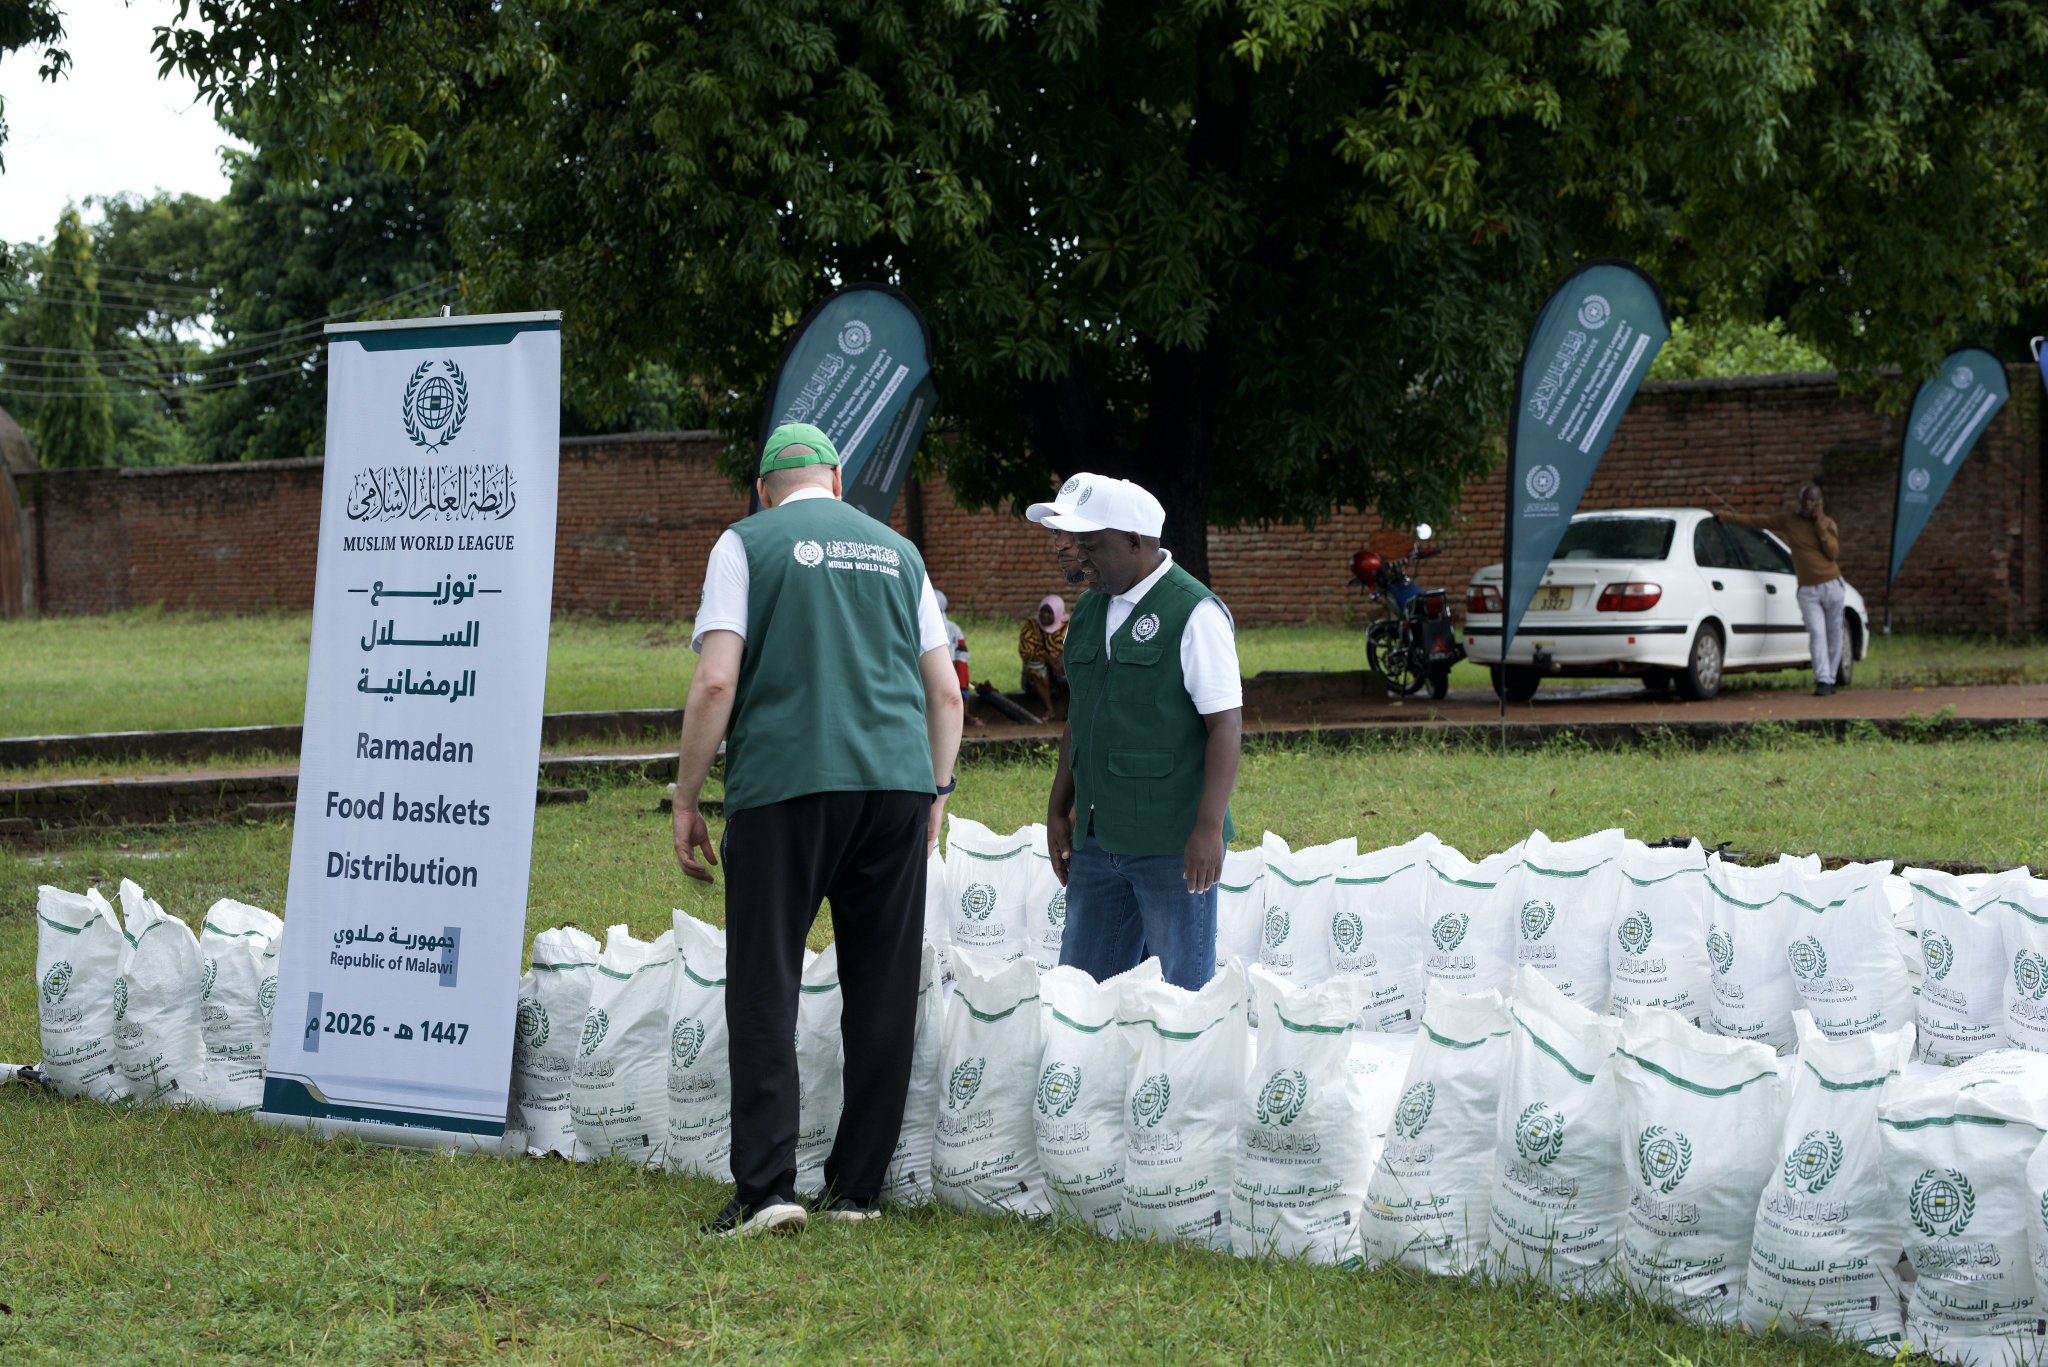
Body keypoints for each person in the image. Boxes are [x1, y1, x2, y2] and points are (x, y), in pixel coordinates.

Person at [673, 421, 963, 1237]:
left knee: (766, 979)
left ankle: (767, 1189)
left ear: (764, 491)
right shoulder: (899, 553)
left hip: (786, 787)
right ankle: (857, 1189)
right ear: (836, 480)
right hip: (896, 787)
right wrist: (936, 789)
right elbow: (946, 692)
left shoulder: (745, 543)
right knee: (882, 985)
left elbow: (716, 679)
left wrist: (687, 796)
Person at [1027, 476, 1243, 991]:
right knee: (1082, 992)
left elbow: (1225, 725)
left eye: (1089, 543)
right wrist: (1058, 809)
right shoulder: (1088, 610)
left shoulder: (1194, 612)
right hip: (1097, 838)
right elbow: (1079, 718)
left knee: (1181, 991)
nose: (1076, 554)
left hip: (1172, 842)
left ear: (1133, 541)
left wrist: (1208, 829)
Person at [1718, 481, 1846, 696]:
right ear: (1800, 501)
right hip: (1807, 590)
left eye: (1813, 500)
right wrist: (1725, 516)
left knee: (1835, 634)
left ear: (1820, 503)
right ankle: (1823, 680)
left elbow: (1833, 553)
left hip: (1832, 585)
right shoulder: (1789, 520)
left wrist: (1820, 527)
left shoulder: (1828, 524)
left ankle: (1831, 677)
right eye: (1805, 500)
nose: (1808, 504)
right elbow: (1756, 521)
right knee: (1817, 633)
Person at [1018, 594, 1069, 719]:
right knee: (1035, 667)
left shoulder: (1068, 626)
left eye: (1049, 612)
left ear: (1057, 612)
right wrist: (1049, 659)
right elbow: (1027, 652)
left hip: (1062, 671)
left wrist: (1062, 659)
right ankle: (1049, 710)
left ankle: (1070, 711)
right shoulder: (1031, 626)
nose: (1045, 615)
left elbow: (1078, 648)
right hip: (1036, 678)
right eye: (1043, 611)